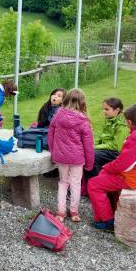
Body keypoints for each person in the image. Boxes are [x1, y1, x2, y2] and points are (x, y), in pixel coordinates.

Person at [48, 88, 94, 223]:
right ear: (82, 102)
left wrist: (53, 152)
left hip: (61, 157)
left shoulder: (58, 115)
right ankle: (74, 212)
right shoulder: (83, 121)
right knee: (76, 184)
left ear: (66, 100)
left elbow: (50, 135)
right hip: (77, 158)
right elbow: (88, 145)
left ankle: (60, 212)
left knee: (63, 182)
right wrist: (89, 163)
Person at [83, 98, 129, 183]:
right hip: (106, 149)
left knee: (92, 156)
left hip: (115, 152)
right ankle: (87, 182)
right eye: (103, 109)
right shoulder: (109, 119)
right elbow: (101, 137)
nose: (104, 111)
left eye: (107, 109)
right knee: (86, 152)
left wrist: (96, 147)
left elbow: (116, 146)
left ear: (117, 110)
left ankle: (97, 182)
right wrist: (92, 145)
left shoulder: (122, 125)